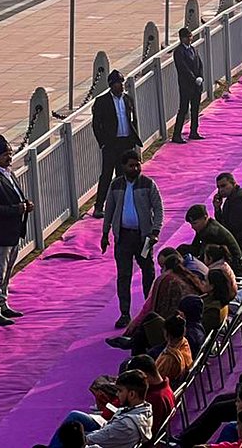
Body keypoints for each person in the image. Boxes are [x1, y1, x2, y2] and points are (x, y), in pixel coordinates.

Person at [101, 149, 164, 329]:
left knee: (148, 274)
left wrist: (155, 231)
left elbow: (159, 209)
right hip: (123, 238)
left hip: (143, 238)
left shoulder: (148, 184)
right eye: (131, 165)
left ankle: (149, 311)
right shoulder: (115, 185)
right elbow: (109, 211)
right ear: (123, 167)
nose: (135, 168)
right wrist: (105, 234)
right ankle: (124, 314)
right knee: (124, 277)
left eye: (138, 164)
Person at [0, 134, 32, 326]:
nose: (9, 157)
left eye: (10, 153)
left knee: (7, 272)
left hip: (12, 232)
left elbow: (16, 196)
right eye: (5, 155)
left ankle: (2, 303)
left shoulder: (9, 173)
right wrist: (16, 209)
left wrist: (24, 205)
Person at [91, 69, 141, 218]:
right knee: (106, 175)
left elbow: (133, 120)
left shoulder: (127, 99)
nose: (122, 86)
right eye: (119, 83)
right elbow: (96, 125)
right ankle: (99, 206)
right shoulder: (102, 101)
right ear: (112, 85)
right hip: (111, 144)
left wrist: (133, 139)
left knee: (124, 176)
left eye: (122, 82)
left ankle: (121, 205)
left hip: (126, 143)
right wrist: (103, 143)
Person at [172, 26, 204, 143]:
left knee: (195, 109)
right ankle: (177, 134)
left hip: (196, 85)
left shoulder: (193, 49)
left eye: (190, 36)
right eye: (187, 37)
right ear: (182, 38)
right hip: (186, 86)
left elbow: (199, 64)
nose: (190, 39)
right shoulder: (179, 52)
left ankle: (194, 131)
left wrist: (200, 76)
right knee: (183, 109)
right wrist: (193, 78)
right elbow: (183, 68)